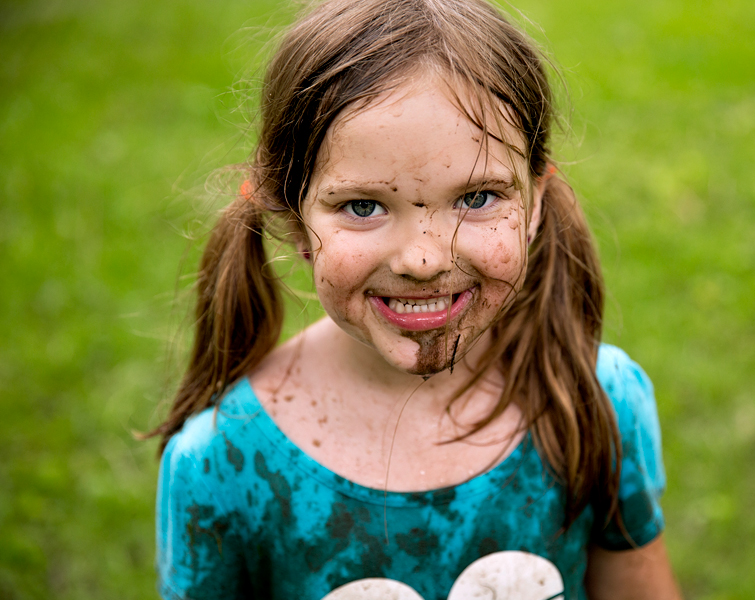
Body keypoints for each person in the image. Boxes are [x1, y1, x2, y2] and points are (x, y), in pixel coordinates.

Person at [152, 0, 681, 598]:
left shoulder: (595, 400)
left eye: (478, 197)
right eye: (363, 206)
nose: (424, 260)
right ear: (297, 223)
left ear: (534, 205)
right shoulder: (223, 463)